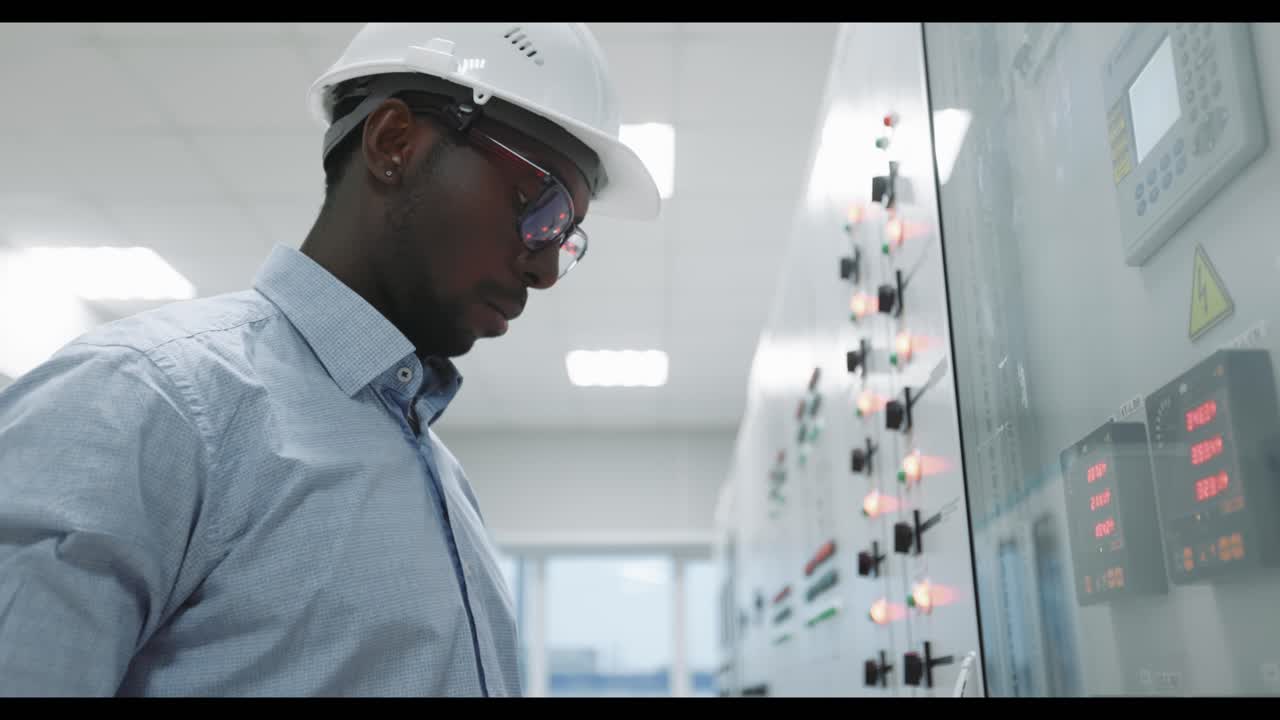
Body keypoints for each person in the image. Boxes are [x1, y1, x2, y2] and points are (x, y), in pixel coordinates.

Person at [0, 23, 660, 696]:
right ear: (394, 142)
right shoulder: (144, 403)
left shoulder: (440, 479)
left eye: (568, 237)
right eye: (544, 208)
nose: (547, 266)